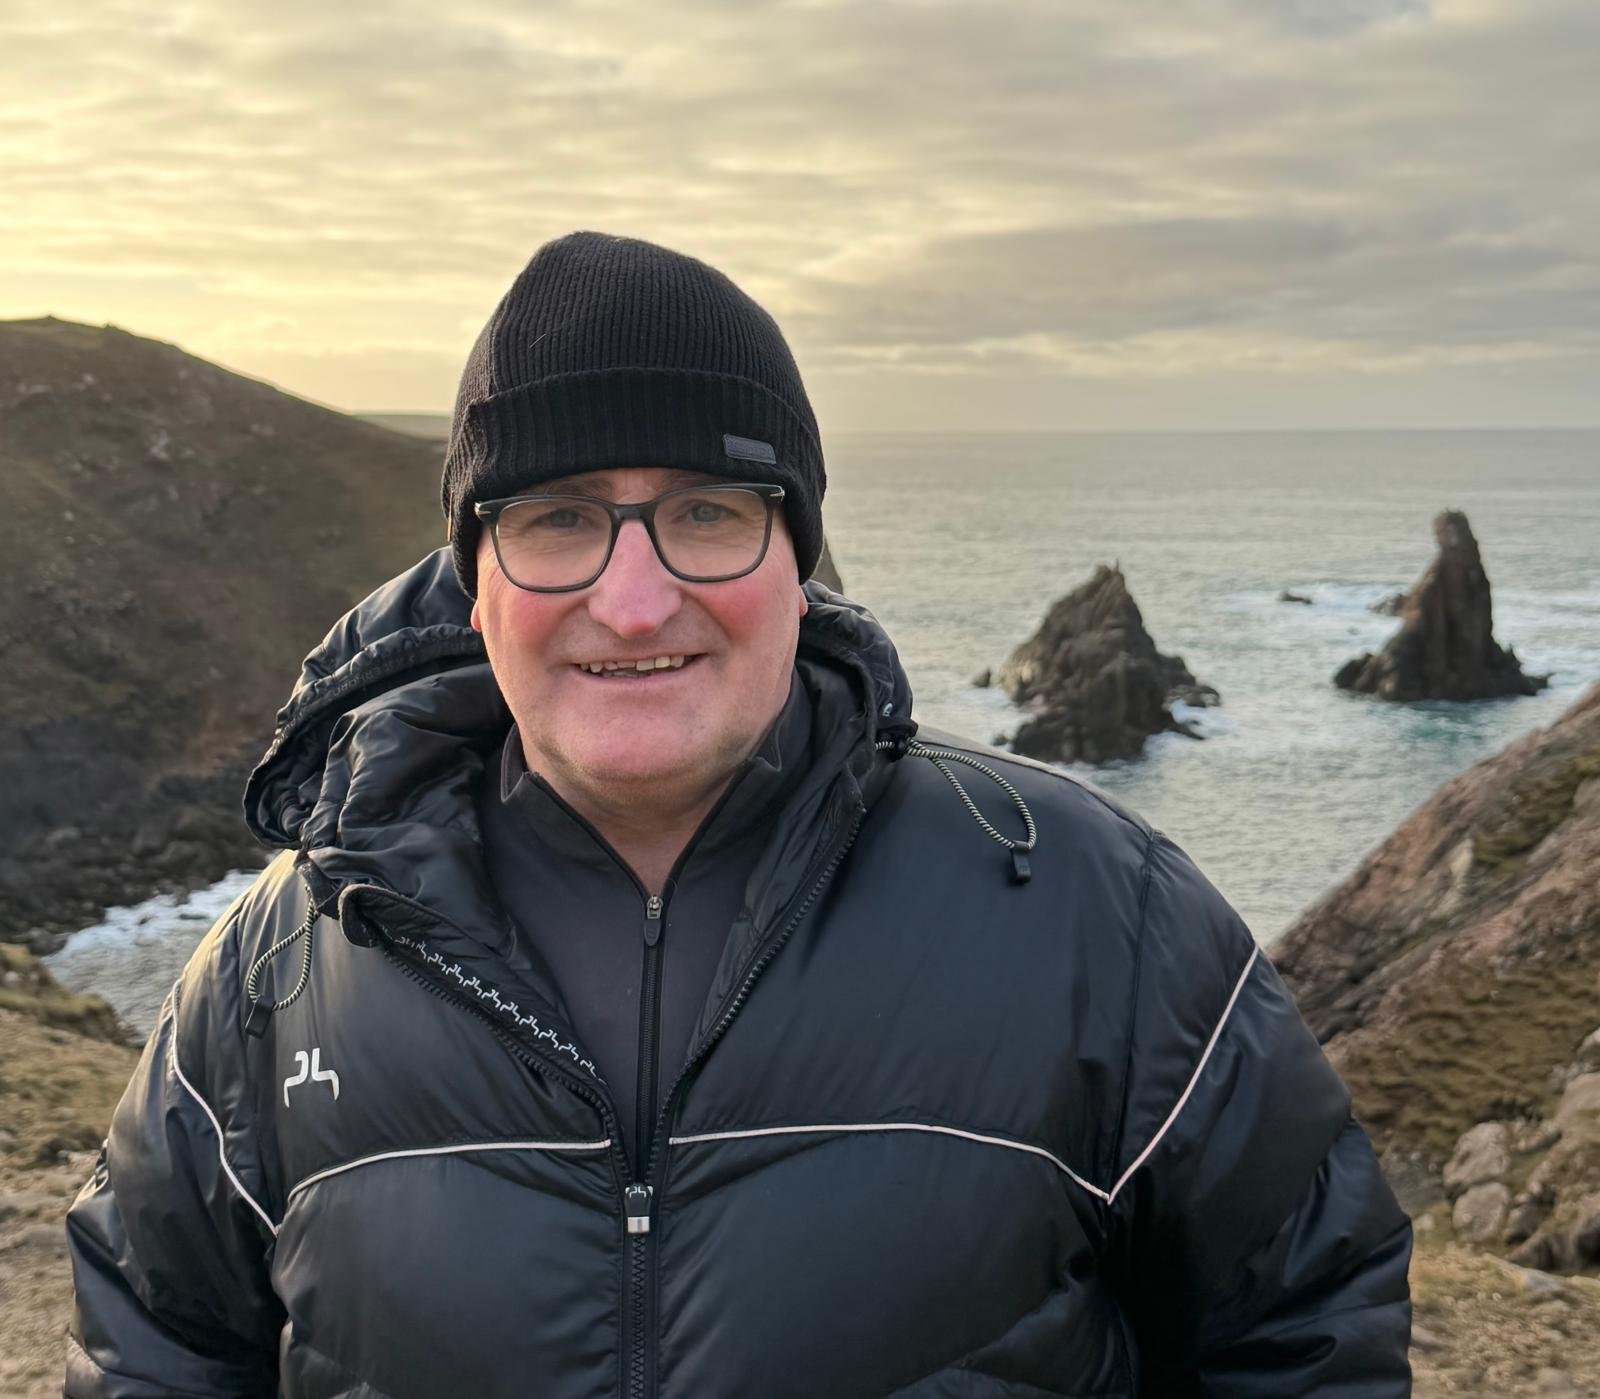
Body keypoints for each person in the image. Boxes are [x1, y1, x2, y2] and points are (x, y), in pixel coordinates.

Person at [64, 231, 1412, 1398]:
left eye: (707, 511)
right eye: (557, 520)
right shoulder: (270, 976)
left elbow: (1303, 1321)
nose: (637, 600)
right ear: (475, 581)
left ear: (799, 564)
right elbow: (157, 1343)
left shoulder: (1097, 911)